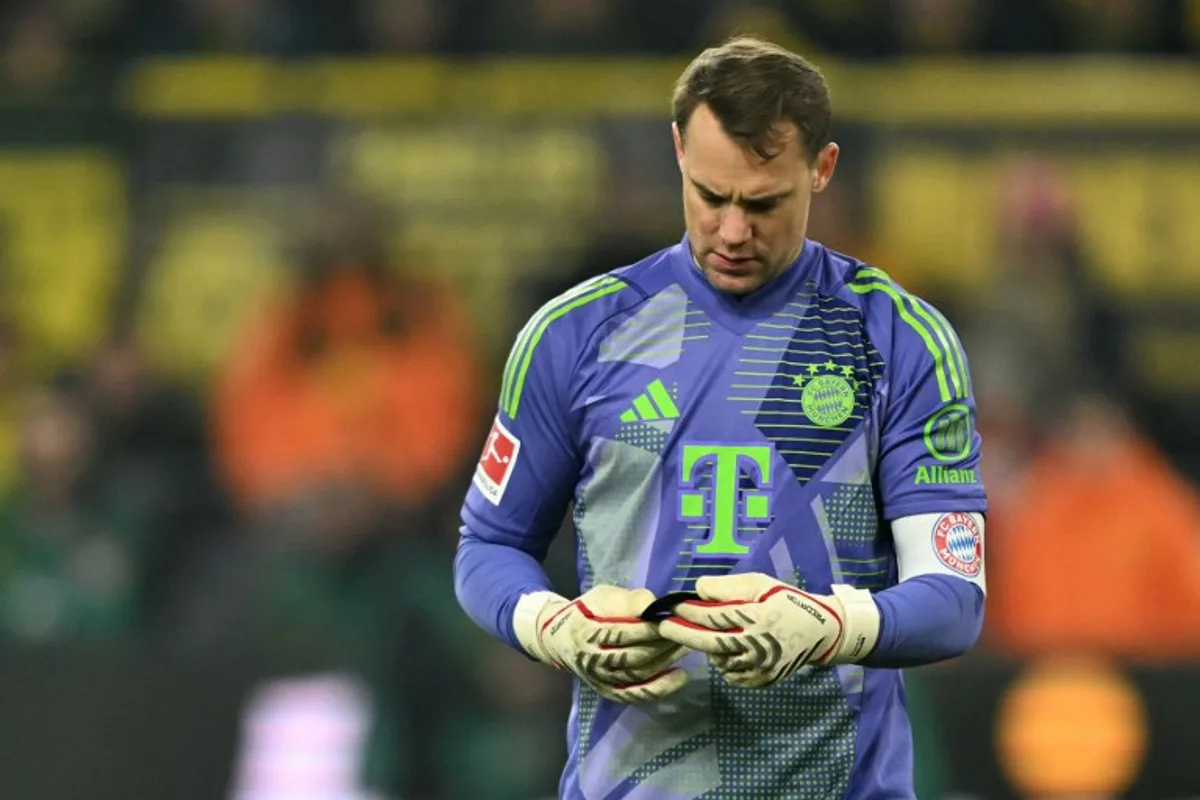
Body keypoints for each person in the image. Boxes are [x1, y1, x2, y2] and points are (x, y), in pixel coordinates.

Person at [454, 36, 987, 799]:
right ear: (677, 152)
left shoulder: (898, 341)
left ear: (823, 170)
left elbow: (954, 601)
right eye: (711, 195)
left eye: (764, 202)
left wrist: (829, 627)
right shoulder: (572, 337)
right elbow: (488, 547)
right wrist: (557, 627)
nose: (733, 231)